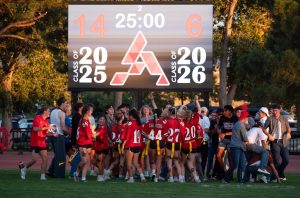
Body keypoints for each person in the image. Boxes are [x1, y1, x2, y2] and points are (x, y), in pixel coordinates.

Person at [19, 106, 56, 180]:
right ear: (44, 111)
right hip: (35, 142)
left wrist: (52, 134)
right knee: (35, 160)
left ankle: (42, 176)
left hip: (42, 142)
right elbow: (35, 129)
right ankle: (24, 169)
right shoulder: (37, 118)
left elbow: (45, 133)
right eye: (49, 111)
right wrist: (46, 128)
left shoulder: (46, 121)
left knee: (45, 158)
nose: (50, 113)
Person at [264, 103, 291, 180]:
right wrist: (269, 135)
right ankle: (277, 176)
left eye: (276, 110)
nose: (274, 112)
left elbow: (288, 128)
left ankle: (277, 174)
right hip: (274, 142)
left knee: (286, 160)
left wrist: (288, 133)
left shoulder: (284, 118)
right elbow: (263, 128)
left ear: (279, 110)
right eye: (273, 110)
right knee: (277, 162)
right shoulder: (270, 119)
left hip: (284, 141)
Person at [223, 109, 249, 183]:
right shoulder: (241, 125)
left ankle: (240, 180)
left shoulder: (238, 123)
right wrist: (248, 141)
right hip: (237, 146)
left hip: (237, 146)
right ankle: (226, 178)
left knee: (240, 164)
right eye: (247, 117)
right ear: (245, 117)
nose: (247, 119)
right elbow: (244, 137)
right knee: (236, 164)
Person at [121, 109, 146, 183]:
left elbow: (127, 135)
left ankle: (131, 178)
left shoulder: (130, 123)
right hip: (138, 145)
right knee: (135, 162)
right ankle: (142, 176)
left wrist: (123, 145)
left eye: (129, 115)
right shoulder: (139, 123)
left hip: (130, 145)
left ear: (131, 116)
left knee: (128, 163)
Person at [47, 97, 69, 178]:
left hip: (53, 135)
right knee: (61, 156)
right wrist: (69, 132)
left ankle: (51, 171)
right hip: (59, 136)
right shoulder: (62, 113)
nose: (67, 105)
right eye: (66, 103)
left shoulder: (53, 112)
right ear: (62, 103)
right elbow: (63, 127)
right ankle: (59, 174)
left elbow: (51, 124)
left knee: (57, 155)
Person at [163, 106, 185, 183]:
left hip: (169, 142)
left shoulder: (166, 121)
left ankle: (171, 178)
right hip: (177, 143)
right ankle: (180, 177)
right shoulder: (180, 121)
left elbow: (165, 134)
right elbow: (183, 133)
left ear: (169, 112)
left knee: (169, 160)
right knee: (176, 161)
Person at [181, 109, 203, 183]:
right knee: (190, 162)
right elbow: (198, 111)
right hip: (193, 144)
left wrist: (182, 108)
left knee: (182, 162)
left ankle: (182, 178)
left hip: (185, 144)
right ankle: (196, 177)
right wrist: (196, 101)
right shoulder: (194, 121)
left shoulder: (182, 122)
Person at [142, 109, 165, 182]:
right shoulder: (163, 122)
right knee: (159, 160)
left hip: (152, 142)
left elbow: (143, 132)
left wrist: (148, 136)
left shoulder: (149, 122)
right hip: (160, 142)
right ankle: (156, 177)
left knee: (152, 160)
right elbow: (166, 134)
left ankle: (153, 173)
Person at [73, 104, 94, 182]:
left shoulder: (86, 120)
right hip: (83, 143)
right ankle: (76, 172)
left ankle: (83, 178)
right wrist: (94, 135)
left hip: (88, 142)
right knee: (84, 160)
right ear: (88, 111)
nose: (92, 112)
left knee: (86, 161)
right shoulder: (84, 121)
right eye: (91, 111)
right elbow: (88, 133)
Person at [217, 105, 238, 174]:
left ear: (230, 111)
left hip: (232, 140)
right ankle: (223, 171)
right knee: (218, 156)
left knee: (230, 157)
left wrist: (225, 134)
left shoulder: (235, 118)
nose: (224, 112)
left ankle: (230, 173)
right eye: (224, 111)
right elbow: (218, 127)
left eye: (226, 111)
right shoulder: (222, 118)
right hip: (223, 140)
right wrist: (219, 132)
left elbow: (235, 131)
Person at [107, 112, 126, 179]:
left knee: (116, 160)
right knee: (122, 160)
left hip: (115, 145)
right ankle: (120, 175)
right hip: (121, 145)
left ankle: (108, 171)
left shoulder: (113, 126)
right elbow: (124, 137)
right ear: (122, 117)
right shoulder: (124, 126)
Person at [93, 116, 109, 182]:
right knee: (94, 161)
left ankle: (100, 176)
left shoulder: (103, 128)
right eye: (100, 119)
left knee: (100, 162)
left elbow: (96, 135)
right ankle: (104, 173)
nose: (101, 120)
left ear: (105, 121)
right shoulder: (98, 127)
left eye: (103, 119)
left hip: (103, 147)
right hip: (98, 147)